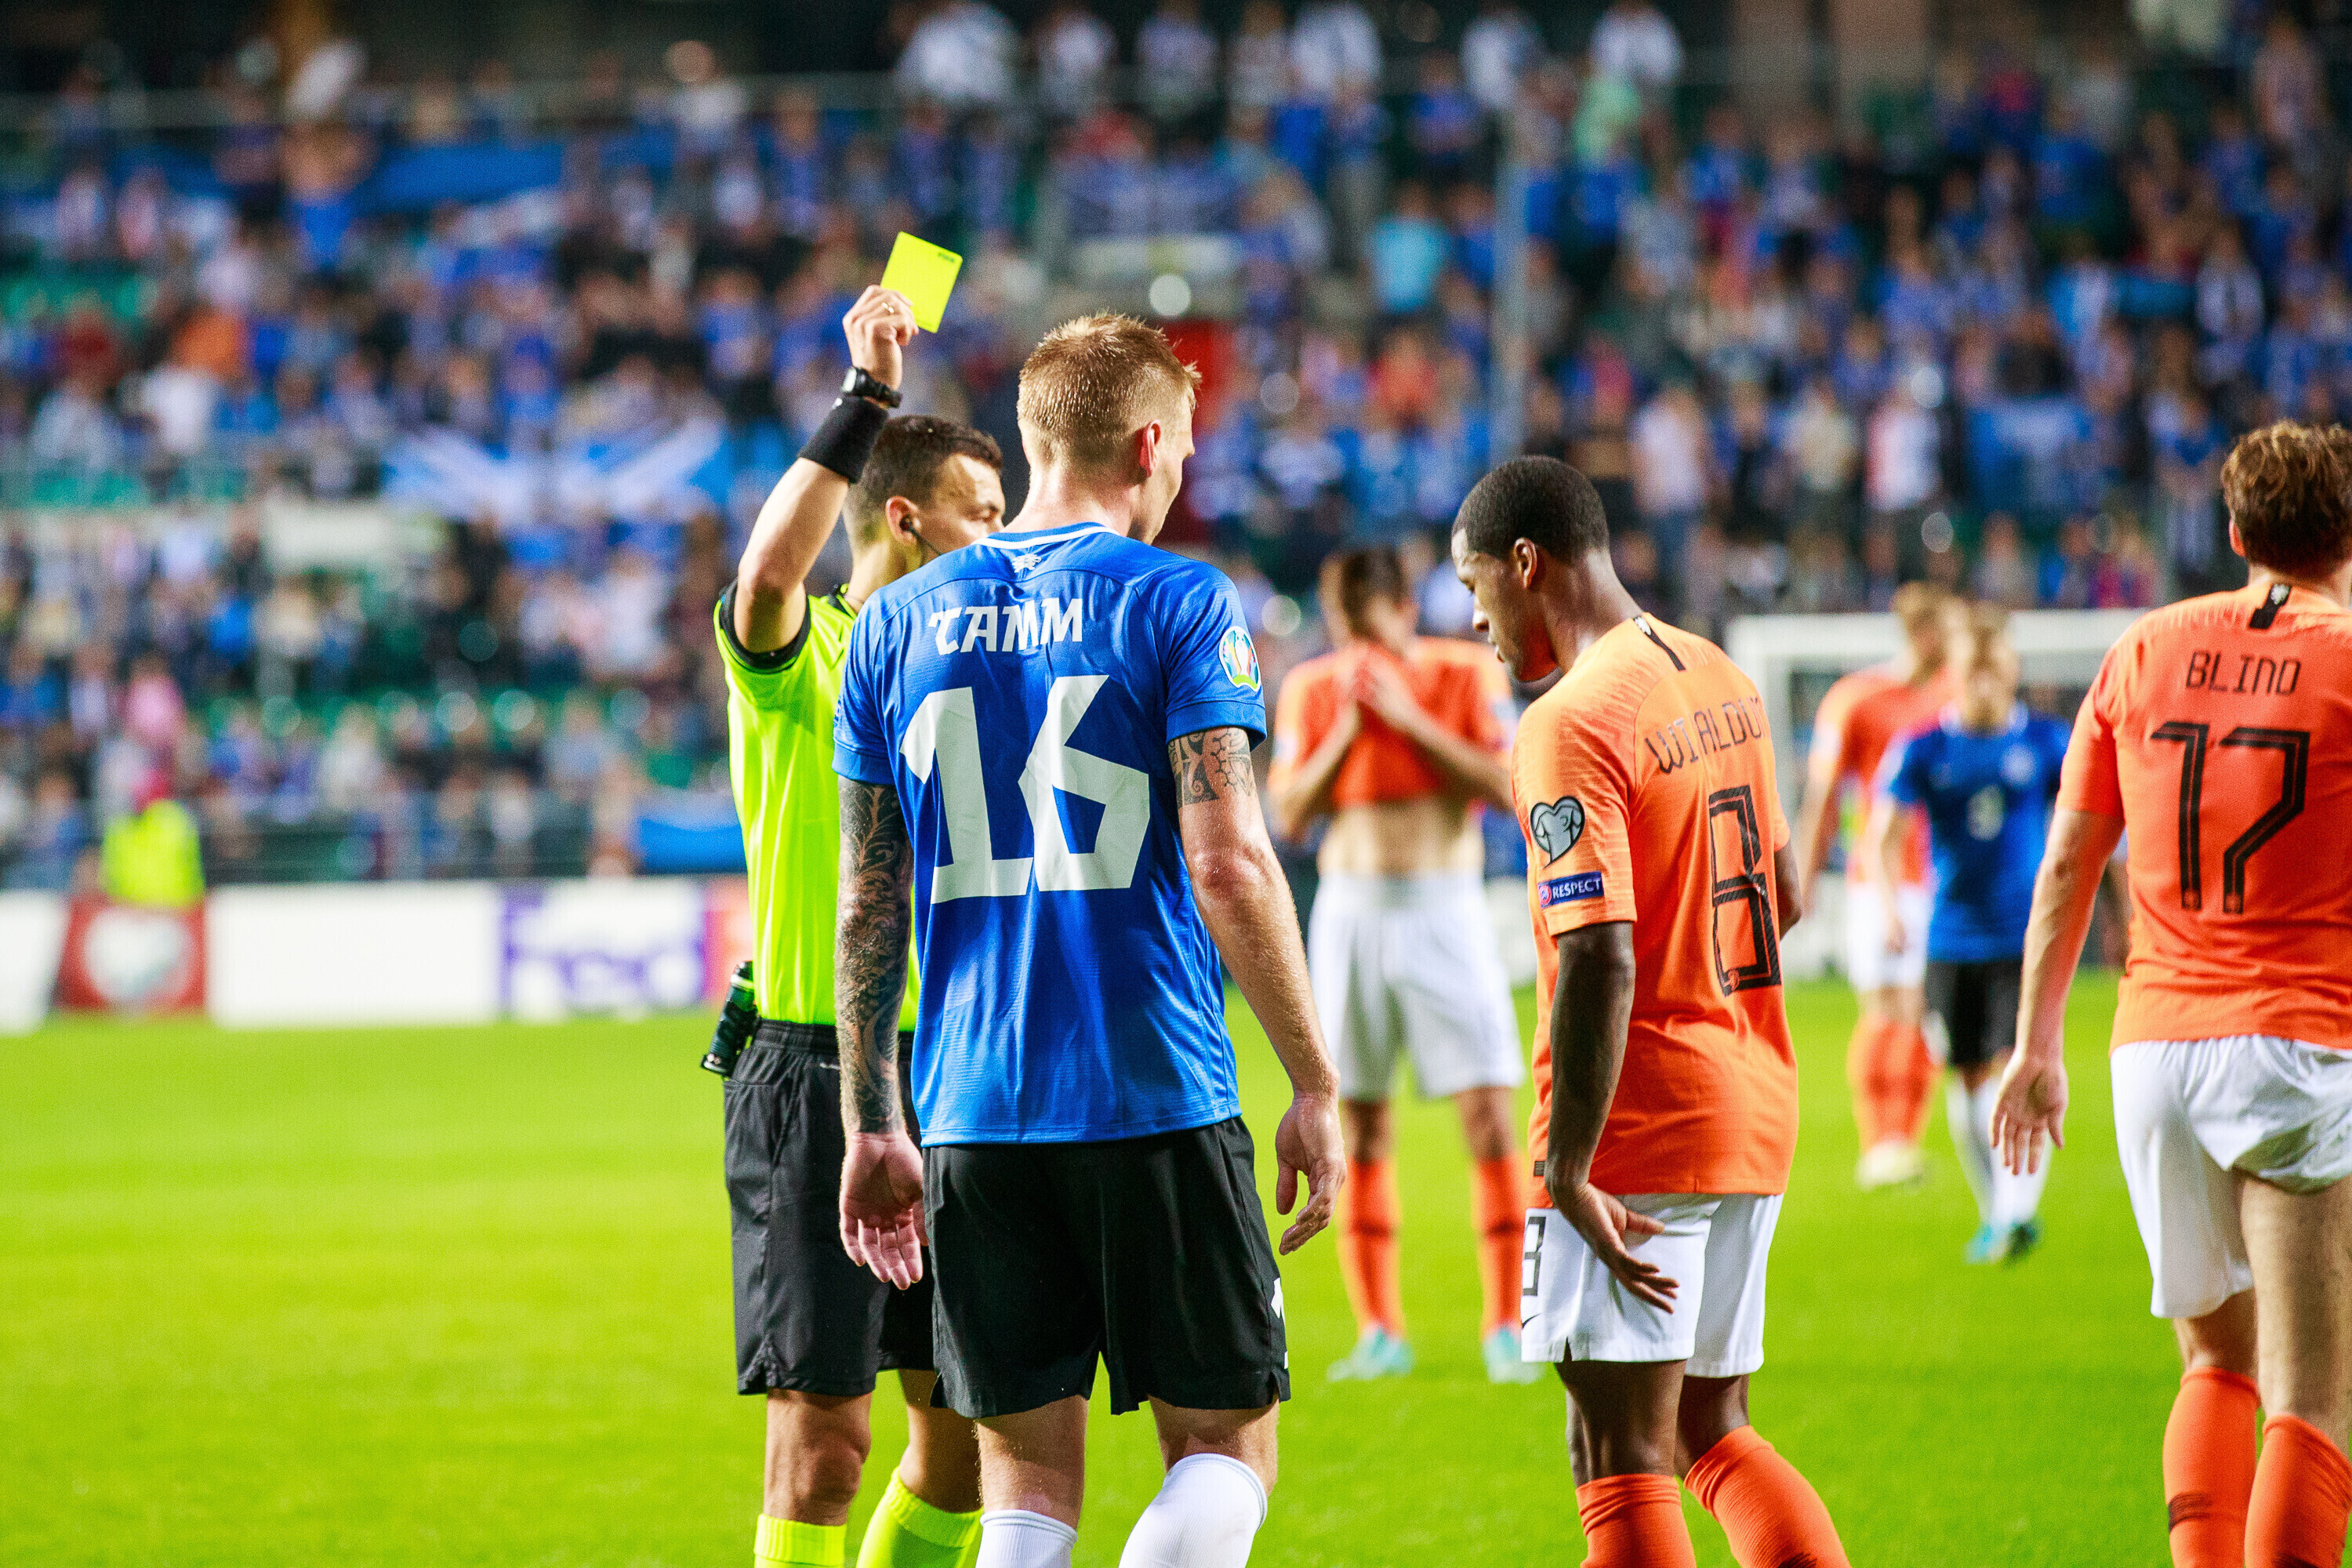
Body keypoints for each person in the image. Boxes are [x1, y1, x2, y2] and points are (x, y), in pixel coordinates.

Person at [829, 314, 1347, 1568]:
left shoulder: (894, 624)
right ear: (1151, 445)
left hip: (973, 1114)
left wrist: (871, 1122)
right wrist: (1315, 1082)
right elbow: (1228, 862)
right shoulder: (1180, 598)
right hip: (1153, 1091)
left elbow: (866, 904)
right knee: (1224, 1448)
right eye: (1185, 454)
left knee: (1023, 1486)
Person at [1450, 456, 1849, 1568]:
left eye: (1476, 589)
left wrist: (1569, 1162)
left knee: (1617, 1451)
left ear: (1526, 564)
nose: (1476, 622)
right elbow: (1786, 894)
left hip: (1639, 1127)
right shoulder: (1717, 671)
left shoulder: (1569, 719)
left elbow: (1598, 952)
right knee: (1711, 1427)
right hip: (1750, 1102)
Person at [1997, 420, 2352, 1568]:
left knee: (2214, 1362)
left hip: (2152, 1050)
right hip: (2300, 1041)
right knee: (2314, 1395)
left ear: (2235, 532)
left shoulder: (2143, 649)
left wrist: (2035, 1044)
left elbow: (2068, 862)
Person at [717, 284, 1007, 1568]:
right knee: (825, 1442)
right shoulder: (805, 656)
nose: (1000, 537)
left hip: (964, 1067)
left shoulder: (985, 672)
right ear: (903, 516)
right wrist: (867, 396)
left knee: (967, 1437)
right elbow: (769, 572)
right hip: (814, 1068)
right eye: (980, 513)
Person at [1266, 543, 1537, 1385]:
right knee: (1358, 1121)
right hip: (1349, 911)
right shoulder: (1315, 687)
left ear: (1406, 612)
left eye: (1371, 629)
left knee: (1489, 1116)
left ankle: (1506, 1323)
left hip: (1445, 905)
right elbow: (1289, 812)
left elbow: (1509, 784)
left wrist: (1409, 719)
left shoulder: (1463, 673)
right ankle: (1380, 1330)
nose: (1358, 650)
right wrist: (1352, 729)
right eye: (1345, 631)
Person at [1862, 606, 2070, 1263]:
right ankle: (1997, 1212)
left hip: (2023, 940)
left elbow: (2094, 827)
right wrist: (1890, 907)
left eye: (1993, 667)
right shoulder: (1924, 748)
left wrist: (2116, 905)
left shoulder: (2046, 742)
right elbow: (1881, 836)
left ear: (2011, 669)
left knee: (2018, 1067)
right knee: (1968, 1080)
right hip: (1950, 939)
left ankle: (2017, 1211)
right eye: (1971, 668)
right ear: (1953, 672)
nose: (1983, 681)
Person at [1791, 583, 1956, 1189]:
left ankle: (1900, 1143)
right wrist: (1805, 879)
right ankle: (1879, 1142)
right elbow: (1823, 797)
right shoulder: (1856, 700)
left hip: (1941, 879)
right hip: (1877, 879)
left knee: (1920, 1010)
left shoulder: (1954, 698)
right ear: (1922, 632)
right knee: (1886, 1007)